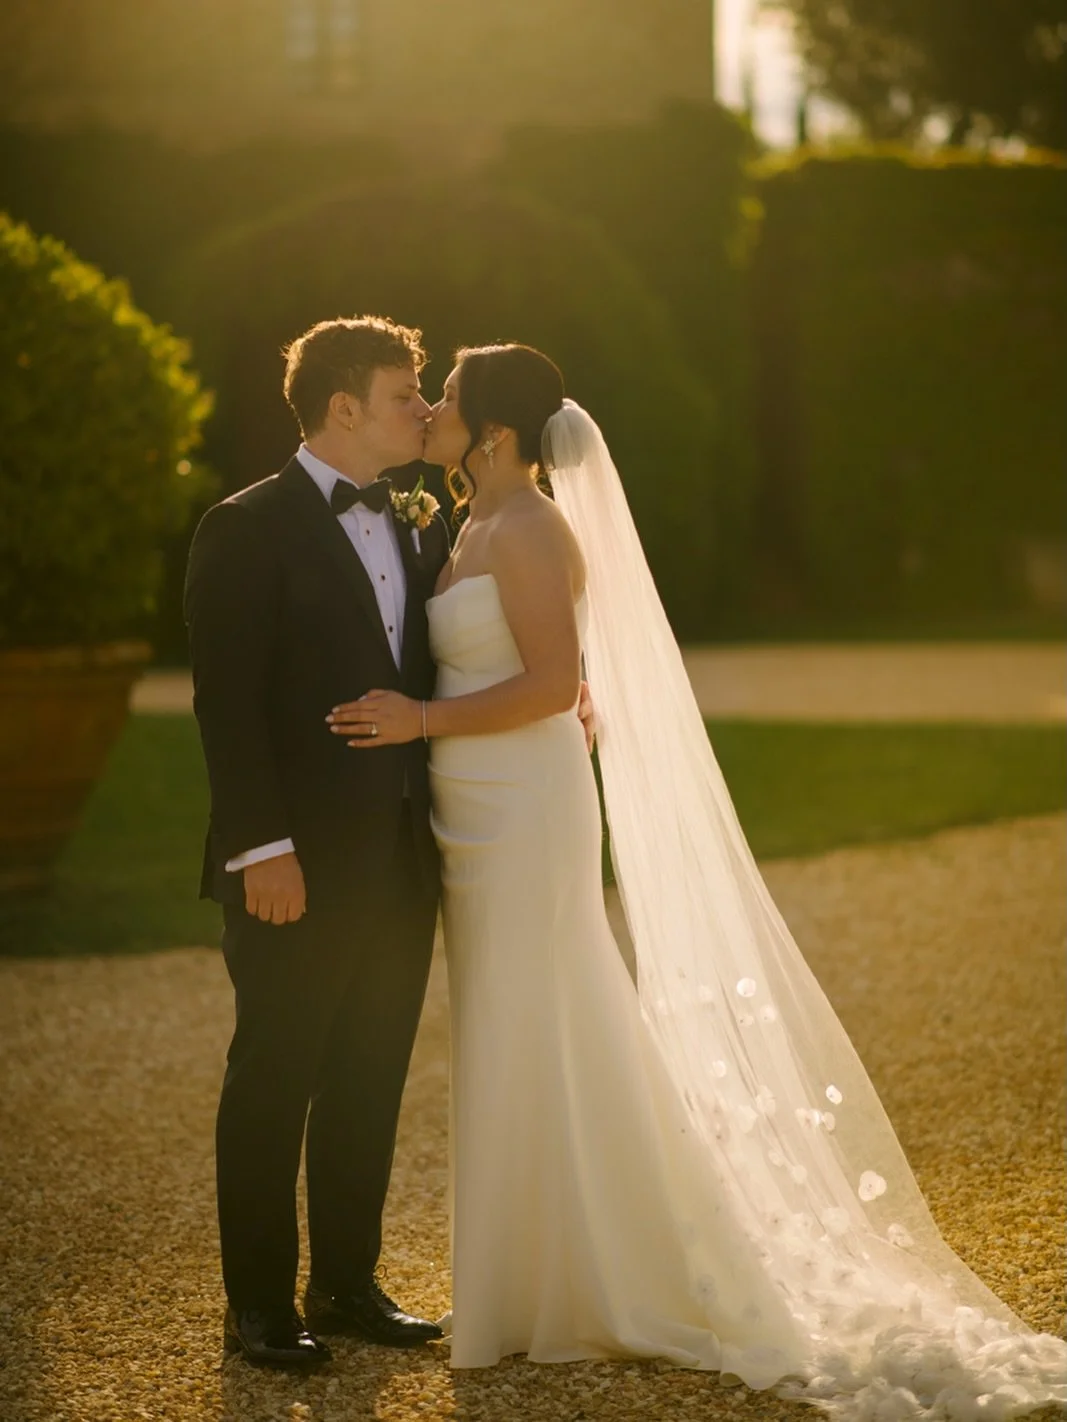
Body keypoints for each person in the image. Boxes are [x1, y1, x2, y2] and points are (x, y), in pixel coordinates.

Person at [330, 343, 1067, 1417]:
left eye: (446, 394)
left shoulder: (530, 527)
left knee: (556, 1010)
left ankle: (626, 1266)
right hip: (472, 809)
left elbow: (548, 684)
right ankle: (530, 1279)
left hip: (525, 808)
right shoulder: (466, 522)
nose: (431, 405)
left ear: (494, 431)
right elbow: (533, 669)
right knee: (506, 1024)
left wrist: (420, 720)